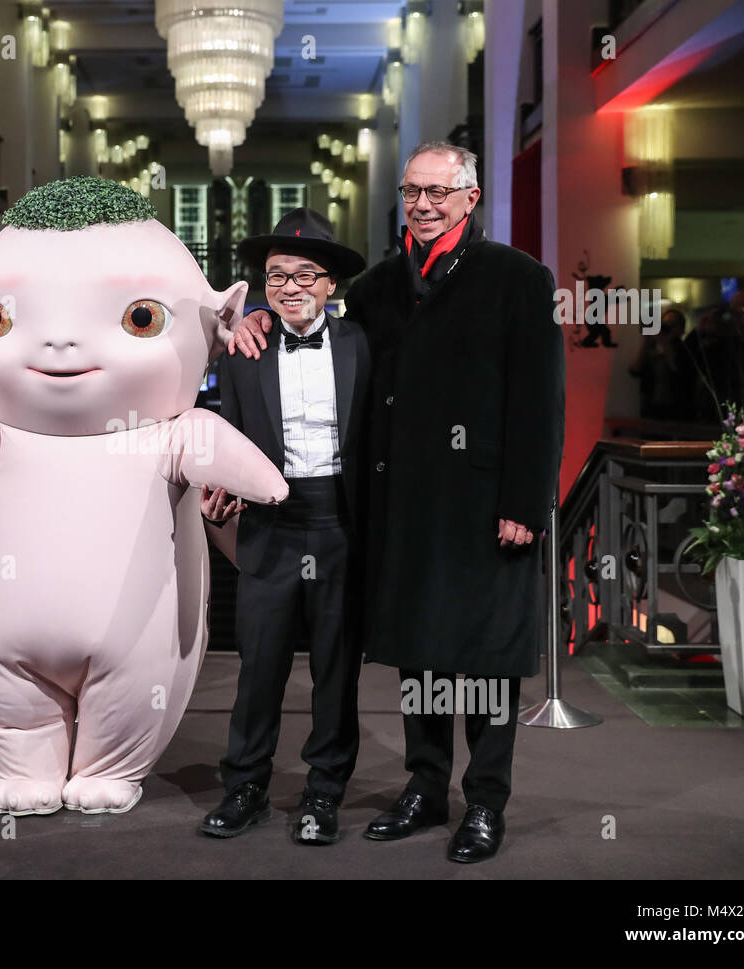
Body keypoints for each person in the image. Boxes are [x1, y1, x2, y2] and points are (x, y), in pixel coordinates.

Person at [231, 141, 565, 862]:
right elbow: (313, 318)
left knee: (484, 659)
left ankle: (484, 799)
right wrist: (255, 312)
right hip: (406, 509)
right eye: (413, 191)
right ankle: (424, 784)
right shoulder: (379, 287)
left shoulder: (518, 277)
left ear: (470, 199)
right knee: (423, 655)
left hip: (485, 508)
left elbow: (541, 401)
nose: (422, 203)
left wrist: (524, 503)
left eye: (438, 192)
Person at [198, 208, 370, 844]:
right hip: (270, 519)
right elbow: (230, 433)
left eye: (305, 276)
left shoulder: (362, 344)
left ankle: (324, 793)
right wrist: (222, 486)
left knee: (335, 666)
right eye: (276, 277)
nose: (290, 287)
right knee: (259, 662)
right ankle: (245, 786)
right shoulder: (247, 348)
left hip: (339, 519)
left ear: (330, 285)